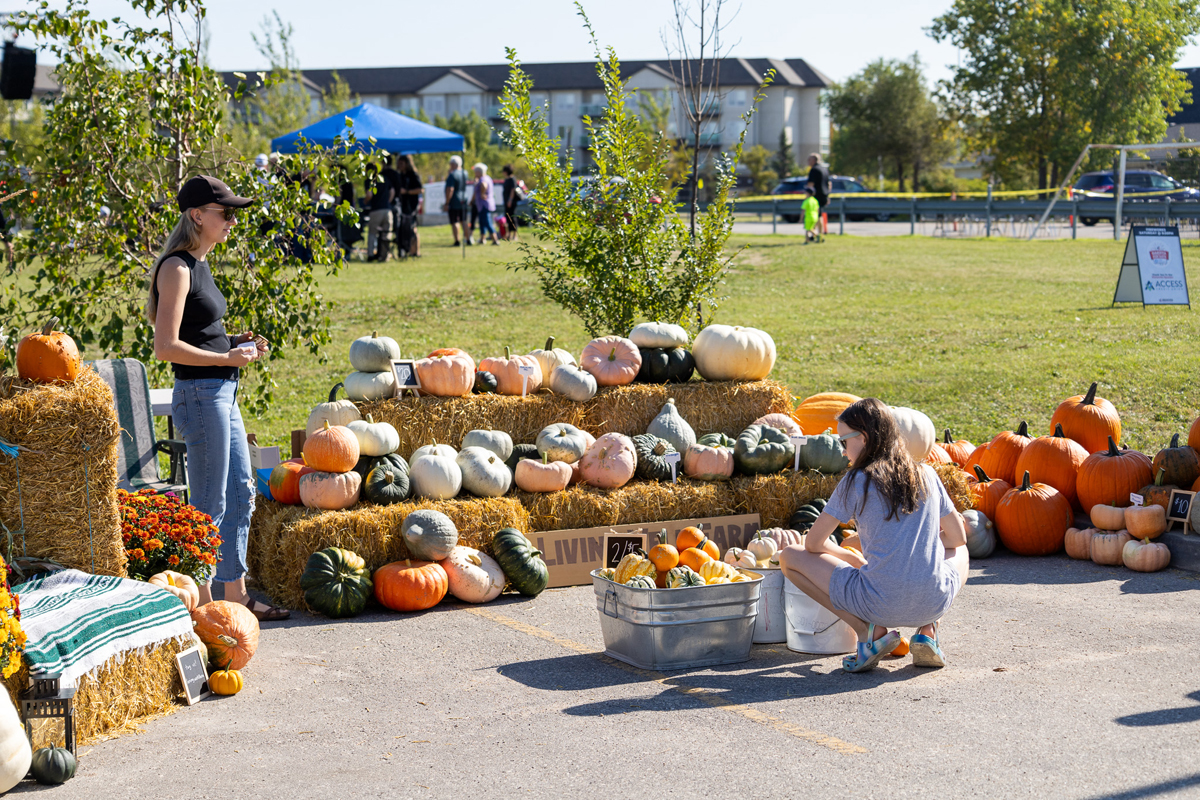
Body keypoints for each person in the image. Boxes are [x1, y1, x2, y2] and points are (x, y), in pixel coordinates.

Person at [147, 175, 289, 621]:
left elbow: (199, 334)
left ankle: (236, 593)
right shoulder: (176, 268)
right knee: (210, 504)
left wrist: (234, 342)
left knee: (242, 492)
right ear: (197, 216)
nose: (231, 222)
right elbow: (166, 346)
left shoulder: (200, 265)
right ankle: (203, 608)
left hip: (222, 390)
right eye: (224, 213)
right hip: (201, 393)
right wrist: (225, 354)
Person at [778, 398, 968, 672]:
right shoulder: (927, 473)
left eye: (844, 442)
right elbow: (958, 538)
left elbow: (812, 543)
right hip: (932, 601)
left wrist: (847, 556)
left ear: (864, 438)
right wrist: (925, 545)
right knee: (961, 552)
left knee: (789, 557)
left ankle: (868, 633)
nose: (842, 451)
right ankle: (929, 630)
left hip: (875, 604)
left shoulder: (856, 480)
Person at [364, 162, 395, 262]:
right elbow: (392, 191)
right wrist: (387, 202)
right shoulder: (384, 178)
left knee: (372, 233)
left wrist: (365, 201)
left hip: (376, 210)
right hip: (387, 210)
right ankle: (384, 256)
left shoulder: (369, 180)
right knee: (386, 234)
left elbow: (369, 195)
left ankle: (370, 255)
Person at [393, 154, 423, 257]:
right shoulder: (399, 175)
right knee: (403, 228)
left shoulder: (413, 175)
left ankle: (416, 251)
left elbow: (420, 189)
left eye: (401, 163)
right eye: (398, 163)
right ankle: (407, 249)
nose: (399, 165)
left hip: (412, 205)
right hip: (402, 206)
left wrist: (407, 192)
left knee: (413, 228)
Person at [471, 162, 499, 245]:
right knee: (482, 222)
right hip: (484, 204)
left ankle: (495, 239)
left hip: (484, 204)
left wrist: (482, 193)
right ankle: (482, 238)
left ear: (479, 172)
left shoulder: (483, 179)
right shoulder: (487, 178)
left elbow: (484, 185)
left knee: (487, 222)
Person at [443, 156, 468, 246]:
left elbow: (450, 189)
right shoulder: (465, 173)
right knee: (463, 220)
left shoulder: (452, 175)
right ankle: (468, 238)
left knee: (455, 221)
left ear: (454, 164)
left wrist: (447, 202)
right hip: (464, 199)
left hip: (454, 200)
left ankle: (457, 240)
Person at [806, 153, 831, 235]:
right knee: (818, 215)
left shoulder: (814, 170)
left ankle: (817, 234)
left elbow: (810, 184)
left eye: (809, 159)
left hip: (816, 196)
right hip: (824, 195)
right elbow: (829, 184)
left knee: (815, 216)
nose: (808, 161)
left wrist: (808, 196)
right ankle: (818, 234)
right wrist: (827, 195)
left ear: (814, 160)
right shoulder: (824, 169)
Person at [501, 164, 521, 242]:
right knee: (507, 217)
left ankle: (515, 235)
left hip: (511, 202)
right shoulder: (506, 179)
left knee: (513, 217)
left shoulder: (513, 179)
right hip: (506, 202)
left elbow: (513, 190)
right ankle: (508, 234)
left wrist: (510, 200)